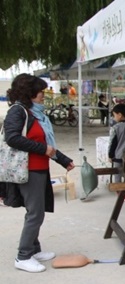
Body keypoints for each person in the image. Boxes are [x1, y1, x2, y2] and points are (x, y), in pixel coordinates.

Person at [3, 74, 75, 273]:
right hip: (29, 170)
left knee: (35, 211)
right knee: (35, 213)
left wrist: (63, 160)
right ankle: (23, 256)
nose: (44, 95)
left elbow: (46, 145)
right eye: (41, 91)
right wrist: (43, 150)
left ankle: (34, 249)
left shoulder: (35, 113)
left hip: (40, 168)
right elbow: (12, 138)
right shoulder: (18, 112)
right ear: (30, 93)